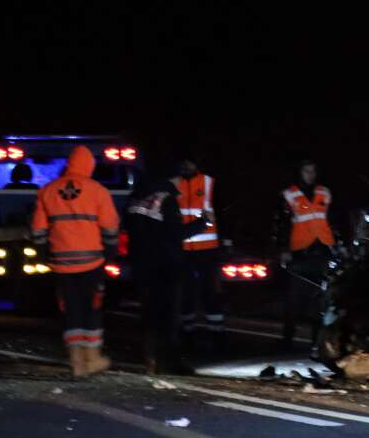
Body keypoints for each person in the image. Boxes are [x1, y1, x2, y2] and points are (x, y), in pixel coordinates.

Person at [30, 145, 120, 377]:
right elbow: (110, 225)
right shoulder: (97, 190)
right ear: (89, 165)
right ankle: (92, 359)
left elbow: (38, 229)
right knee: (91, 308)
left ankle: (76, 362)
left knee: (70, 310)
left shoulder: (47, 190)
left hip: (61, 262)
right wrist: (110, 249)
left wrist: (43, 251)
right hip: (91, 261)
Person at [126, 172, 209, 374]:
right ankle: (171, 362)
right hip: (166, 265)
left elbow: (128, 227)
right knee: (169, 315)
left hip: (142, 264)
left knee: (149, 314)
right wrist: (202, 223)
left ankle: (149, 360)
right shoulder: (167, 199)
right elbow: (175, 234)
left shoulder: (137, 196)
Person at [275, 160, 336, 354]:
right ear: (298, 172)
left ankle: (316, 343)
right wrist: (284, 248)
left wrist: (338, 245)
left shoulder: (324, 192)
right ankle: (287, 340)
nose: (310, 174)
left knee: (319, 300)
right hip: (300, 253)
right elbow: (281, 224)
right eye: (306, 171)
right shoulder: (289, 194)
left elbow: (333, 219)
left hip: (323, 251)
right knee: (294, 299)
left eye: (313, 171)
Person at [171, 158, 225, 352]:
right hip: (183, 248)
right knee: (186, 292)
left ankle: (216, 331)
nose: (186, 166)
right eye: (183, 162)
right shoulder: (174, 184)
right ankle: (188, 331)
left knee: (210, 291)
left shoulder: (209, 182)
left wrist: (226, 243)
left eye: (190, 162)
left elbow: (222, 213)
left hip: (207, 249)